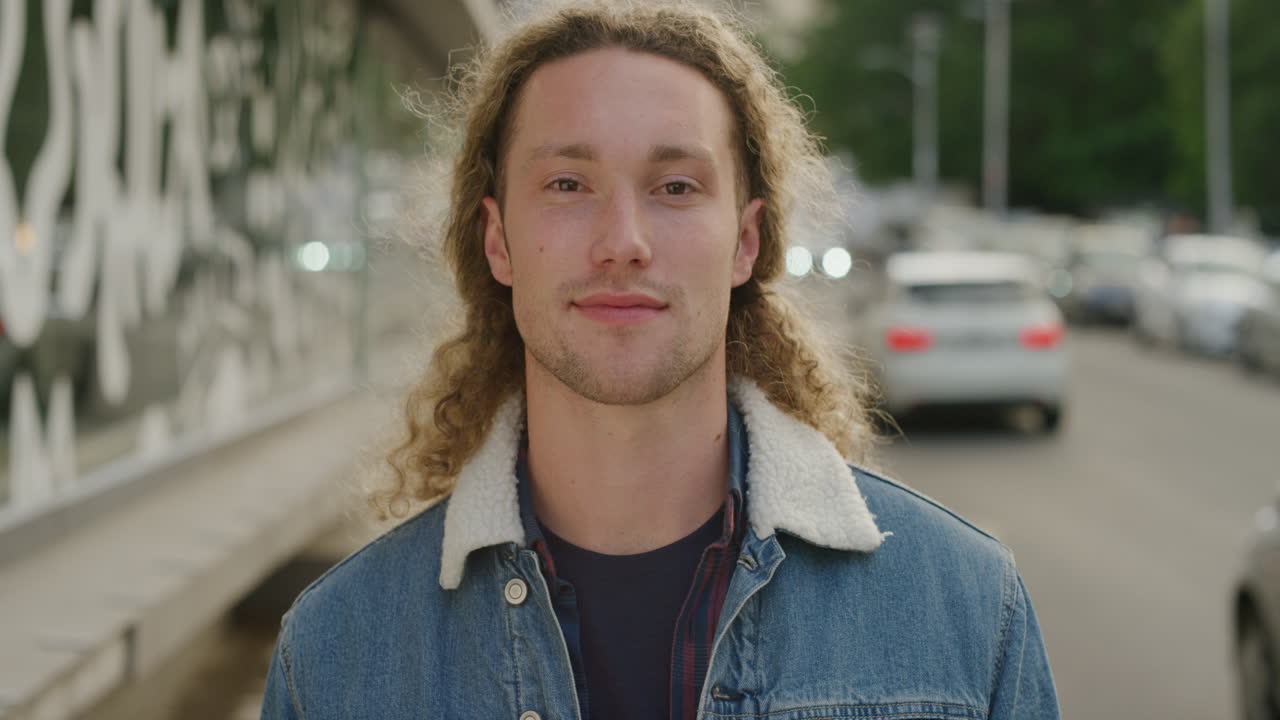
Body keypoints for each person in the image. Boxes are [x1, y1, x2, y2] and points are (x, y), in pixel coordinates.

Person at [261, 2, 1060, 718]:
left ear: (746, 241)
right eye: (569, 183)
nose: (624, 244)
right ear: (498, 240)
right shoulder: (335, 655)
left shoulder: (965, 611)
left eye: (676, 187)